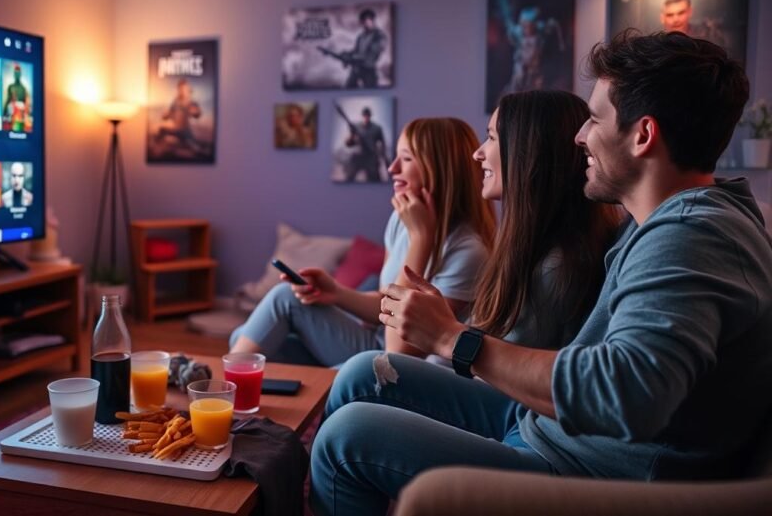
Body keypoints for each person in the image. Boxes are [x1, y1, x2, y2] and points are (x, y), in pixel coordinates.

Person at [308, 30, 772, 516]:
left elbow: (626, 393)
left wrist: (452, 338)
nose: (579, 137)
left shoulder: (691, 234)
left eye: (594, 119)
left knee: (346, 438)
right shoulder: (656, 226)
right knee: (366, 373)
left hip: (589, 471)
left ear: (642, 135)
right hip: (552, 431)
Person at [229, 117, 496, 367]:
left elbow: (399, 353)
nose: (392, 169)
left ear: (439, 171)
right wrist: (334, 292)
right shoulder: (401, 221)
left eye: (405, 159)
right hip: (375, 342)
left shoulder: (468, 252)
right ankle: (235, 400)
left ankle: (219, 397)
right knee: (245, 336)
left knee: (281, 302)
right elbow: (385, 302)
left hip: (396, 366)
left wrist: (421, 239)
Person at [470, 90, 622, 349]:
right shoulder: (540, 251)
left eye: (492, 138)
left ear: (529, 153)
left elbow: (500, 379)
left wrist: (443, 333)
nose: (478, 153)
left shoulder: (556, 268)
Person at [502, 6, 564, 96]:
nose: (526, 28)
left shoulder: (541, 32)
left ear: (534, 24)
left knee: (535, 89)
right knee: (517, 83)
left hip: (535, 68)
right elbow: (510, 33)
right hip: (521, 66)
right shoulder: (518, 32)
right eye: (524, 25)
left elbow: (554, 25)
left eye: (528, 25)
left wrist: (561, 42)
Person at [321, 8, 387, 88]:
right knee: (348, 89)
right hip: (356, 68)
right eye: (363, 21)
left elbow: (371, 54)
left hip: (369, 69)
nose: (366, 23)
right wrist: (346, 54)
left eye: (368, 20)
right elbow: (356, 51)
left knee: (372, 91)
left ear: (373, 20)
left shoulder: (379, 35)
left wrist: (351, 57)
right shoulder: (361, 36)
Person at [153, 79, 205, 154]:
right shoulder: (175, 102)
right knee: (162, 130)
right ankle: (157, 148)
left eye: (184, 89)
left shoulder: (191, 102)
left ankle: (194, 147)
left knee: (196, 149)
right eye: (180, 89)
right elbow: (167, 116)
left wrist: (195, 112)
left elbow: (198, 114)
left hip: (186, 131)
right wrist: (165, 115)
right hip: (175, 130)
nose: (182, 91)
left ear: (187, 90)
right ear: (178, 90)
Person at [341, 106, 391, 183]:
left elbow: (382, 144)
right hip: (358, 156)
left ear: (370, 116)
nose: (366, 117)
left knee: (375, 181)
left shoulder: (377, 128)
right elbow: (348, 144)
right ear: (362, 116)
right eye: (365, 115)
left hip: (371, 157)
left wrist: (382, 156)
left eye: (367, 115)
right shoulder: (356, 127)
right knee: (348, 178)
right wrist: (353, 137)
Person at [3, 63, 31, 132]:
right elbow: (8, 101)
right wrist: (4, 113)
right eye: (15, 73)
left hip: (21, 117)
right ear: (13, 74)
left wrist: (25, 113)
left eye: (18, 73)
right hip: (12, 116)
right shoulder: (10, 87)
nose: (17, 74)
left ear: (20, 74)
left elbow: (27, 105)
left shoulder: (23, 88)